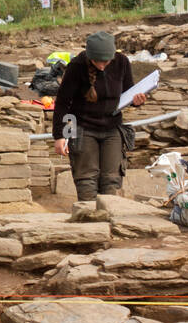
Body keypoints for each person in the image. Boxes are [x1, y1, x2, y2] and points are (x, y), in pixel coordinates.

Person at [53, 31, 147, 201]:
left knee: (111, 179)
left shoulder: (122, 62)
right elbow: (62, 103)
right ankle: (89, 218)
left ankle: (109, 217)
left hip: (112, 128)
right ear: (90, 57)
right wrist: (60, 136)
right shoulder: (77, 66)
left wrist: (137, 100)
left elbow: (129, 92)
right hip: (83, 128)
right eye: (98, 62)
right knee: (86, 178)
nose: (102, 66)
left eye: (106, 62)